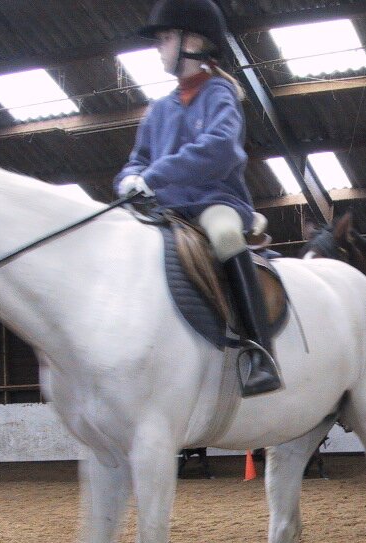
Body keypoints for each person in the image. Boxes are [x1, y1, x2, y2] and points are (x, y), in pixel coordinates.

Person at [115, 0, 281, 396]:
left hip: (213, 201)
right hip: (166, 209)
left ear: (193, 42)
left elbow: (219, 148)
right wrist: (129, 179)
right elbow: (137, 160)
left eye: (165, 38)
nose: (158, 47)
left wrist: (152, 176)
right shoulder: (158, 110)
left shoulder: (219, 93)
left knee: (225, 236)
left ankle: (261, 353)